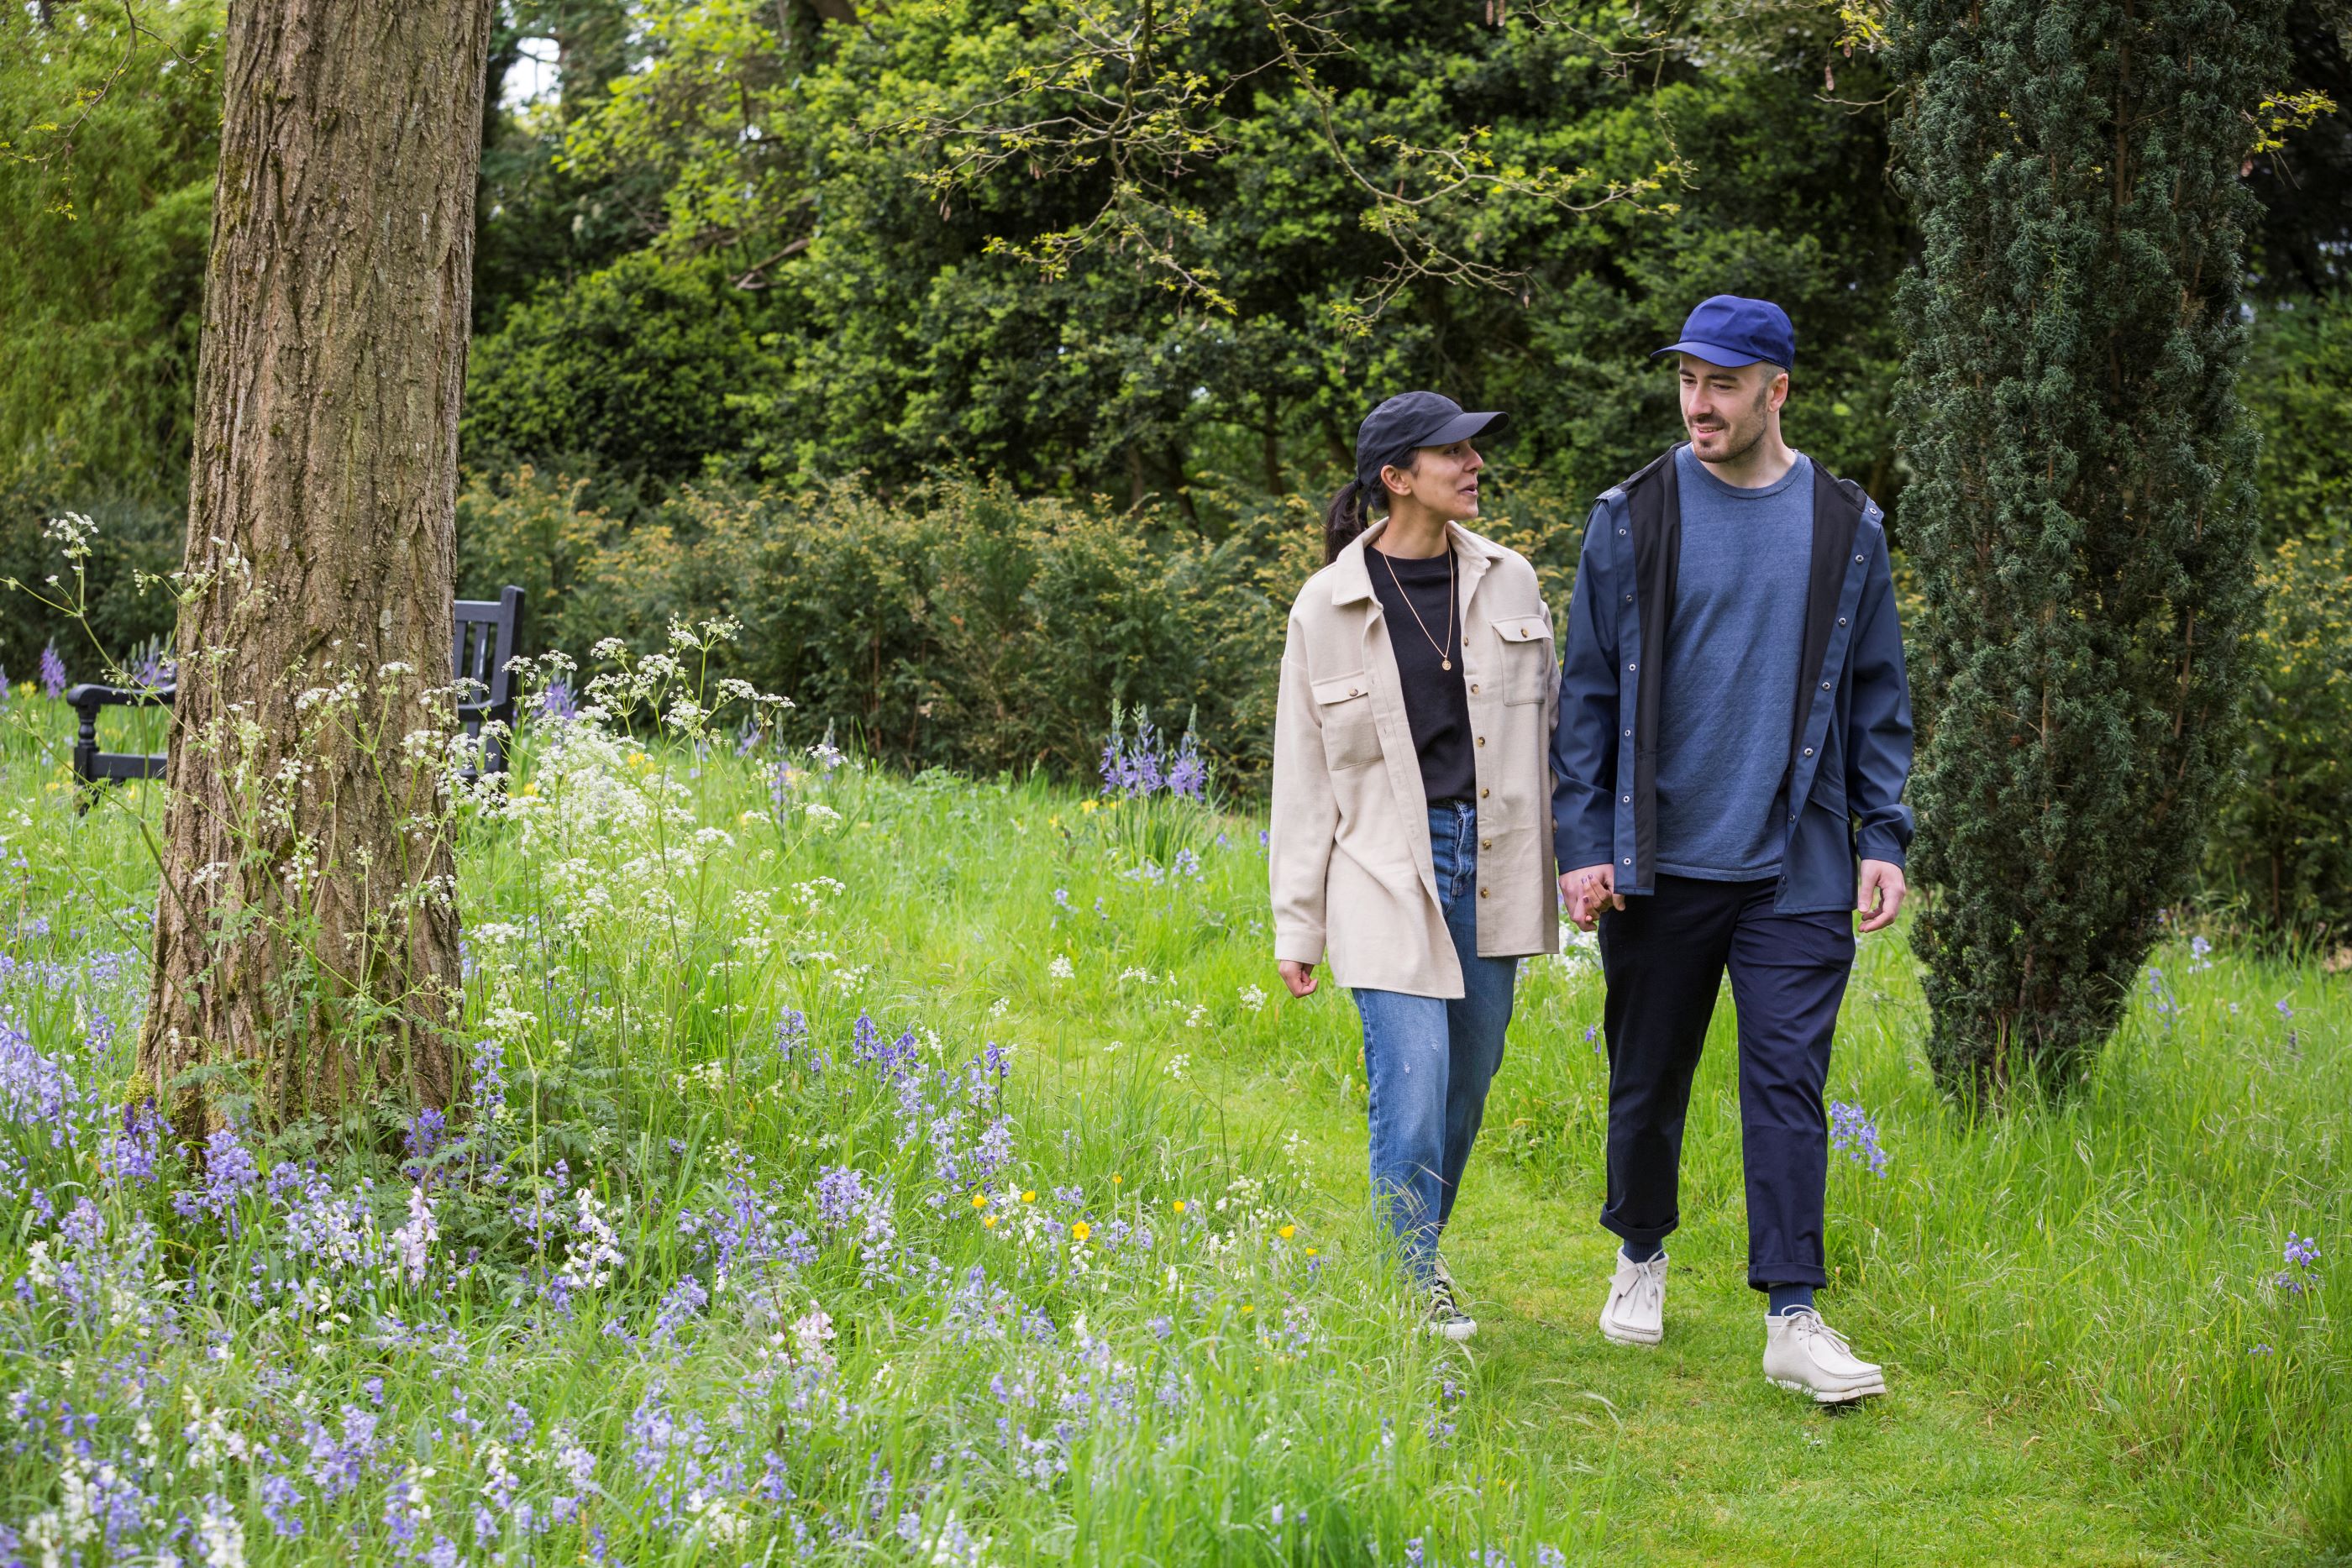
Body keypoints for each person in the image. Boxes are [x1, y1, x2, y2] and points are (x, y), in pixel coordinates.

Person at [1551, 296, 1915, 1403]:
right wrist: (1581, 839)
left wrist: (1882, 833)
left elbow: (1878, 695)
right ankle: (1641, 1249)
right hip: (1657, 860)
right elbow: (1588, 694)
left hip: (1795, 860)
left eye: (1723, 383)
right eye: (1688, 382)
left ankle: (1792, 1313)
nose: (1699, 403)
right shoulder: (1632, 516)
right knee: (1647, 1072)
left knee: (1789, 1083)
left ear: (1776, 391)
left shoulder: (1847, 525)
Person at [1270, 391, 1560, 1340]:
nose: (1474, 464)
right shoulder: (1326, 604)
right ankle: (1410, 1288)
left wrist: (1588, 858)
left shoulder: (1511, 581)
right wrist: (1296, 923)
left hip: (1496, 862)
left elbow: (1557, 735)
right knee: (1414, 1076)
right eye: (1453, 453)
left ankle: (1415, 1253)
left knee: (1465, 1085)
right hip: (1382, 867)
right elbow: (1304, 777)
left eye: (1474, 449)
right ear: (1397, 479)